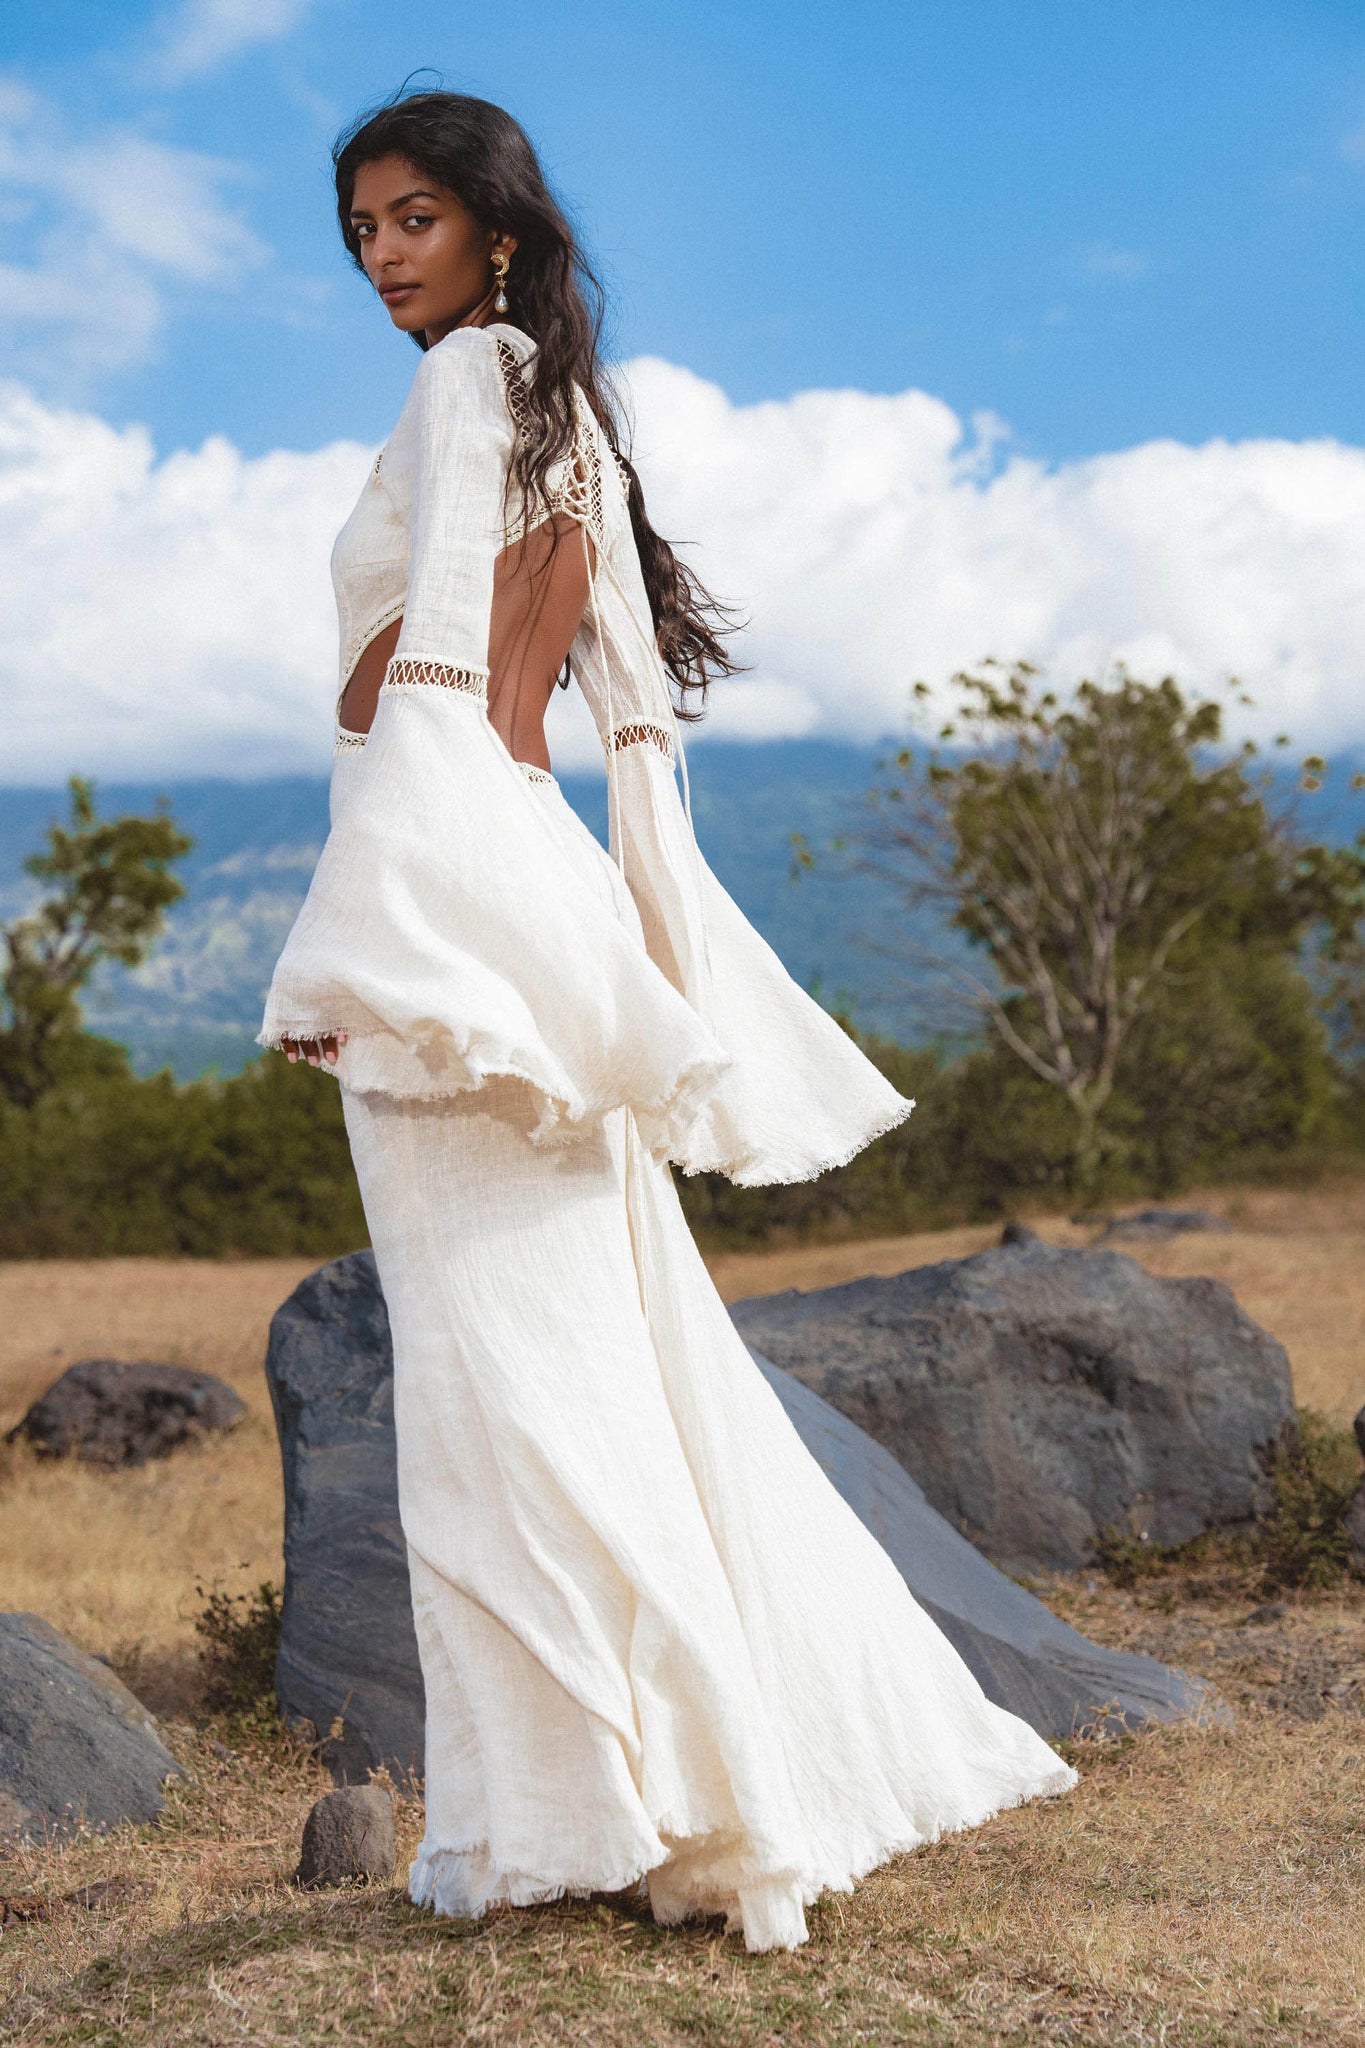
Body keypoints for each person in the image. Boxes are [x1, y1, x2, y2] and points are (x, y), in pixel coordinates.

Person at [261, 88, 1075, 1954]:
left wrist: (370, 944)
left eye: (410, 220)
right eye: (362, 231)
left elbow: (447, 686)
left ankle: (664, 1804)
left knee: (508, 1401)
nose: (383, 257)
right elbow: (602, 717)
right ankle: (634, 1798)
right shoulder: (559, 399)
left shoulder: (472, 388)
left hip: (456, 909)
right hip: (523, 904)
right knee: (582, 1376)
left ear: (491, 222)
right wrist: (583, 943)